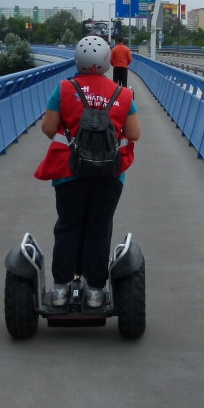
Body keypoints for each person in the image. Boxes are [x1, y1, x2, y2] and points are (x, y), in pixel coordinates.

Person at [34, 36, 142, 307]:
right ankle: (95, 291)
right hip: (110, 175)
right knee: (99, 227)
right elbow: (134, 134)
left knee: (68, 226)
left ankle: (60, 289)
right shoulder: (124, 94)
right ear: (107, 61)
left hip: (69, 172)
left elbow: (48, 128)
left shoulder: (64, 88)